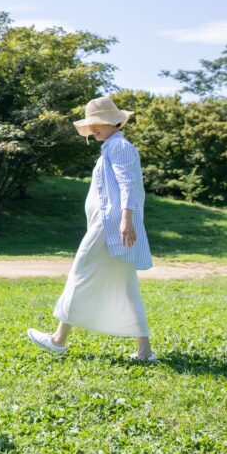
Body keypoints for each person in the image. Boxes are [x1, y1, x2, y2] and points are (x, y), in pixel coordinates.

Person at [27, 96, 156, 361]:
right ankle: (144, 351)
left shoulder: (119, 147)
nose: (94, 128)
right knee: (126, 284)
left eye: (98, 122)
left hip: (110, 226)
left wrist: (126, 219)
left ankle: (58, 340)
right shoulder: (111, 147)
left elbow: (128, 184)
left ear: (112, 121)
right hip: (111, 224)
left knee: (81, 272)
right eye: (92, 123)